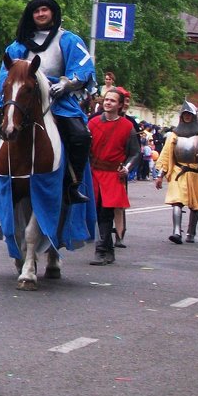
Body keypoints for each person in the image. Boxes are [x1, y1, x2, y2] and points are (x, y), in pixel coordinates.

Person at [0, 0, 94, 204]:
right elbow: (7, 73)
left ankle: (72, 184)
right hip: (21, 96)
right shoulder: (19, 44)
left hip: (57, 99)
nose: (40, 14)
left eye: (44, 10)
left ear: (53, 13)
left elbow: (83, 68)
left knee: (80, 135)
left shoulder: (68, 40)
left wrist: (66, 84)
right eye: (36, 11)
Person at [155, 101, 198, 243]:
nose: (187, 117)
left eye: (189, 114)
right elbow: (166, 155)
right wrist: (160, 175)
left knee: (195, 204)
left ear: (193, 116)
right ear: (182, 116)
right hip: (178, 171)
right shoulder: (174, 134)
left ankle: (191, 232)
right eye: (185, 114)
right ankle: (176, 232)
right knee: (176, 201)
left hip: (195, 172)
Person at [86, 88, 140, 265]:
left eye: (112, 101)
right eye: (106, 100)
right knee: (97, 212)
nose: (108, 103)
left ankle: (101, 251)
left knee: (106, 212)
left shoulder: (127, 127)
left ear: (120, 105)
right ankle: (108, 251)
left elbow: (135, 153)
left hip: (113, 175)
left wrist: (127, 167)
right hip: (94, 173)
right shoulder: (92, 123)